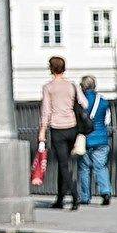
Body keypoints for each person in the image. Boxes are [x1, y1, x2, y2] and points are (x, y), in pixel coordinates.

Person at [38, 55, 83, 212]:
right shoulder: (72, 85)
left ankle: (75, 195)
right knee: (63, 163)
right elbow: (84, 103)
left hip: (57, 128)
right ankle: (60, 198)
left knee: (63, 164)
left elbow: (46, 111)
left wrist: (42, 131)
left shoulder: (48, 87)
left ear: (51, 69)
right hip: (72, 127)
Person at [77, 76, 113, 207]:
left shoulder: (81, 102)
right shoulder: (103, 101)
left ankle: (85, 197)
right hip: (102, 139)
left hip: (85, 140)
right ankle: (106, 192)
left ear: (83, 87)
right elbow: (107, 121)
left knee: (84, 168)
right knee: (101, 167)